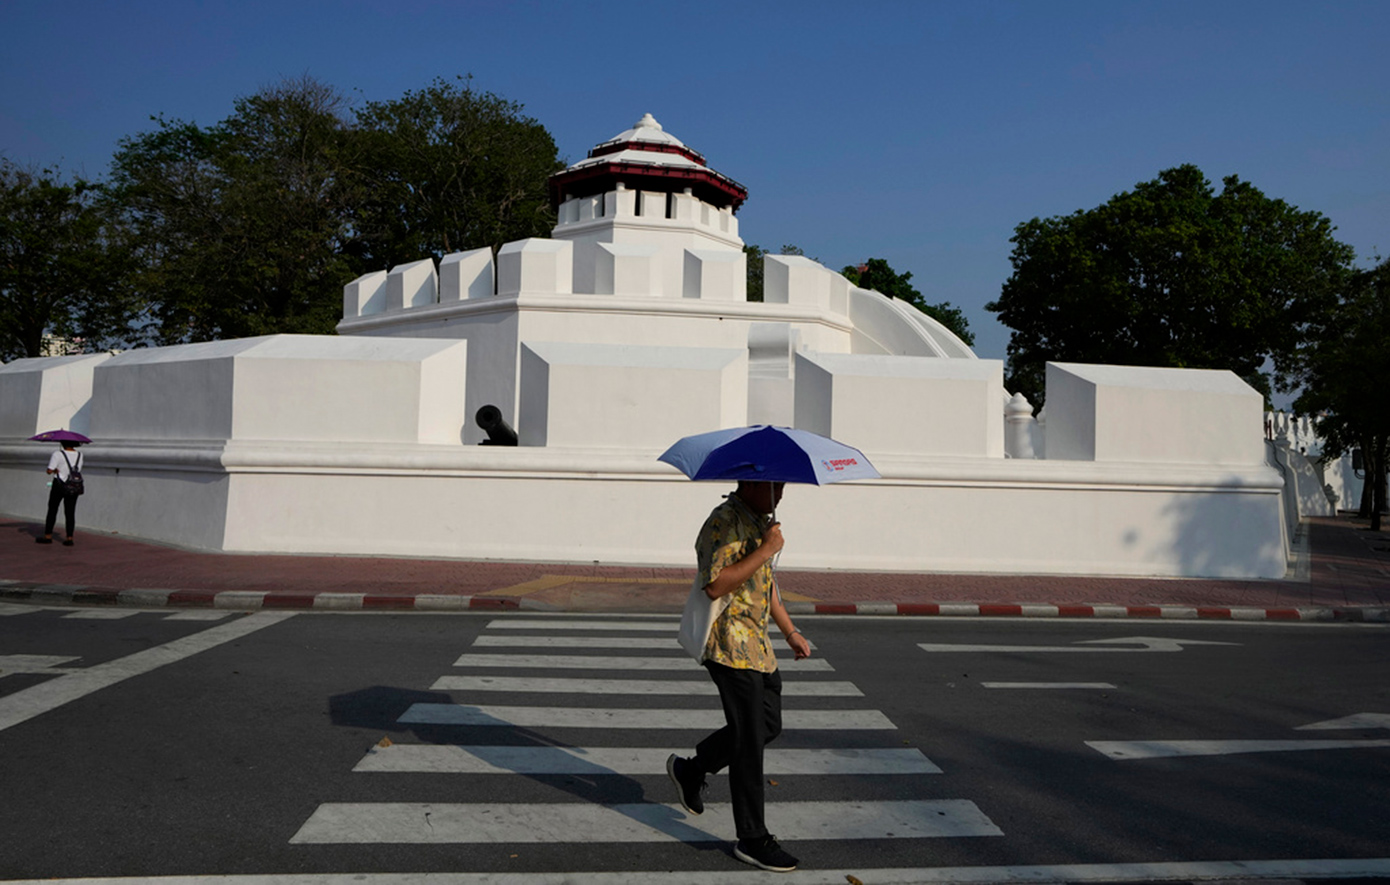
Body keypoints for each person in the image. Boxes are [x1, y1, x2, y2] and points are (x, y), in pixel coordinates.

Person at [666, 480, 811, 873]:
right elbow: (715, 585)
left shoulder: (758, 521)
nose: (779, 495)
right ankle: (752, 837)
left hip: (757, 646)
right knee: (749, 742)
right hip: (729, 645)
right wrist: (765, 550)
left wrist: (790, 631)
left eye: (782, 487)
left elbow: (767, 586)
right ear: (749, 484)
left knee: (767, 725)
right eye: (773, 487)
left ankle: (691, 770)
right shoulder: (723, 523)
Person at [38, 442, 83, 546]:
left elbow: (49, 470)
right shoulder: (80, 455)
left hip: (59, 485)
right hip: (73, 485)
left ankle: (48, 535)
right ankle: (69, 538)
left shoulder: (57, 454)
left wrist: (54, 470)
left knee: (53, 509)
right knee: (70, 512)